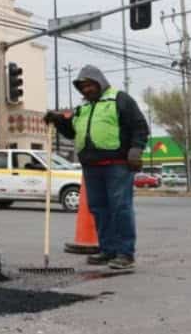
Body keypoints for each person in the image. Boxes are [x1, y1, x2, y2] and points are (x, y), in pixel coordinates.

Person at [45, 65, 149, 272]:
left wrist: (136, 149)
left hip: (117, 165)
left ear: (100, 82)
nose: (87, 89)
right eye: (83, 87)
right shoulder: (83, 108)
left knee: (120, 208)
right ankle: (108, 249)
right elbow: (72, 132)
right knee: (99, 209)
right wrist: (58, 121)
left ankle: (125, 254)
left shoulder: (120, 99)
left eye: (90, 85)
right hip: (91, 166)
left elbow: (140, 126)